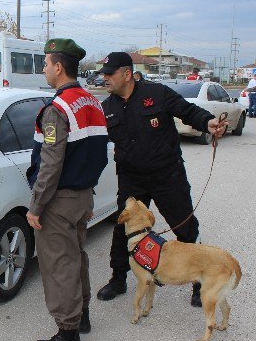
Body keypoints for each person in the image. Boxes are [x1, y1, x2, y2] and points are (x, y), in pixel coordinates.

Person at [96, 52, 228, 307]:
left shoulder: (156, 93)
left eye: (109, 73)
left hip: (167, 176)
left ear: (126, 73)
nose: (105, 78)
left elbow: (187, 110)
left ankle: (198, 284)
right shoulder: (107, 108)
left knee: (185, 228)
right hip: (132, 179)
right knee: (123, 229)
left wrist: (208, 122)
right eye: (104, 73)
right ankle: (118, 279)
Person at [26, 39, 108, 341]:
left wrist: (36, 206)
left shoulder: (56, 109)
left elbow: (50, 164)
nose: (44, 69)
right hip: (82, 196)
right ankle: (82, 315)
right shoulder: (92, 102)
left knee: (59, 265)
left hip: (58, 201)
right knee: (76, 258)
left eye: (46, 63)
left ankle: (68, 336)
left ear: (59, 67)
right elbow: (100, 154)